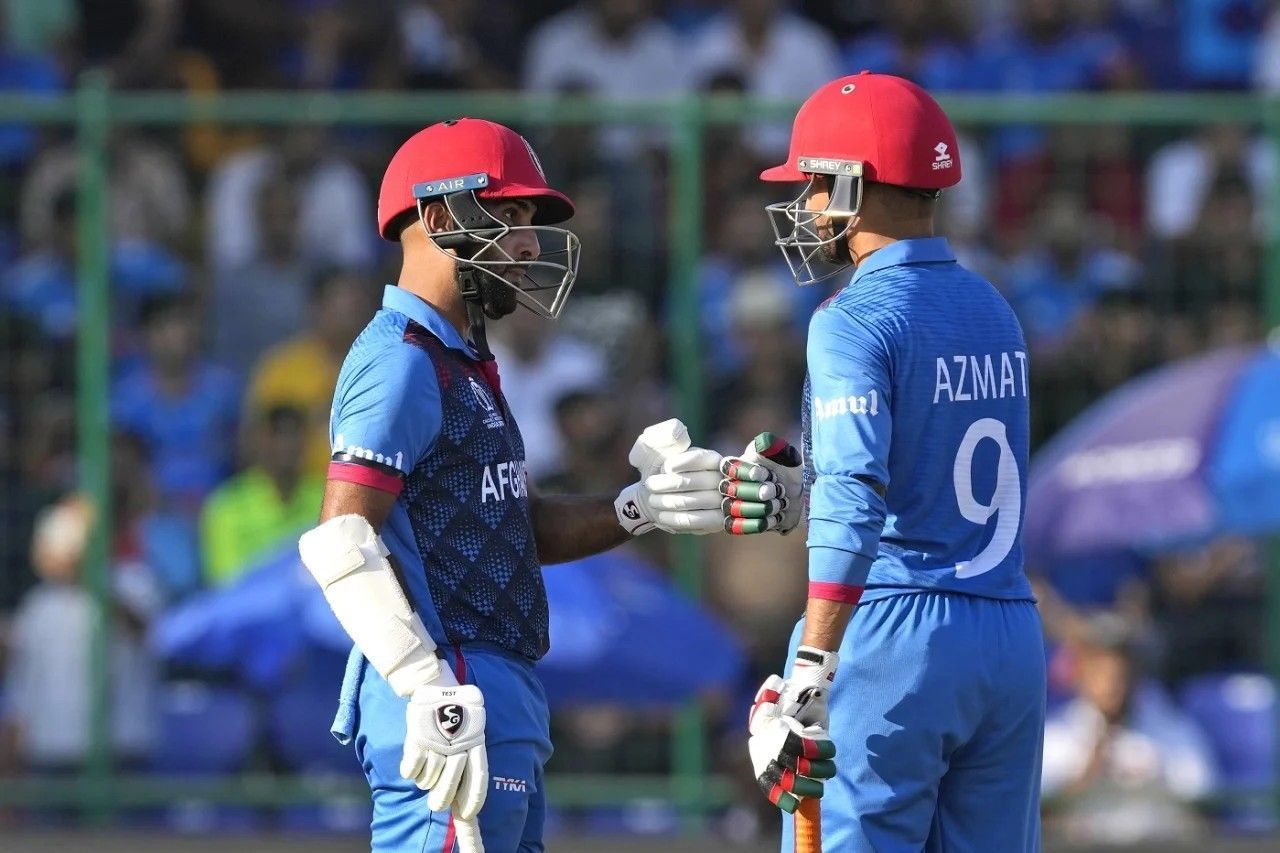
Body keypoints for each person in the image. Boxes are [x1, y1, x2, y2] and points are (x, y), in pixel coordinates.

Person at [297, 118, 727, 853]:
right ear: (439, 217)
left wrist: (640, 506)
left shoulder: (460, 359)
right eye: (509, 216)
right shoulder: (402, 360)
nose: (528, 243)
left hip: (492, 685)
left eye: (529, 222)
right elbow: (342, 540)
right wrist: (423, 684)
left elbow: (509, 529)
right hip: (447, 687)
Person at [722, 73, 1046, 851]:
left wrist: (812, 663)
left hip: (895, 629)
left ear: (851, 185)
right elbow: (924, 463)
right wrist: (805, 481)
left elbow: (859, 497)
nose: (803, 207)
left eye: (811, 184)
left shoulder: (850, 318)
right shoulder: (993, 307)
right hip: (1007, 633)